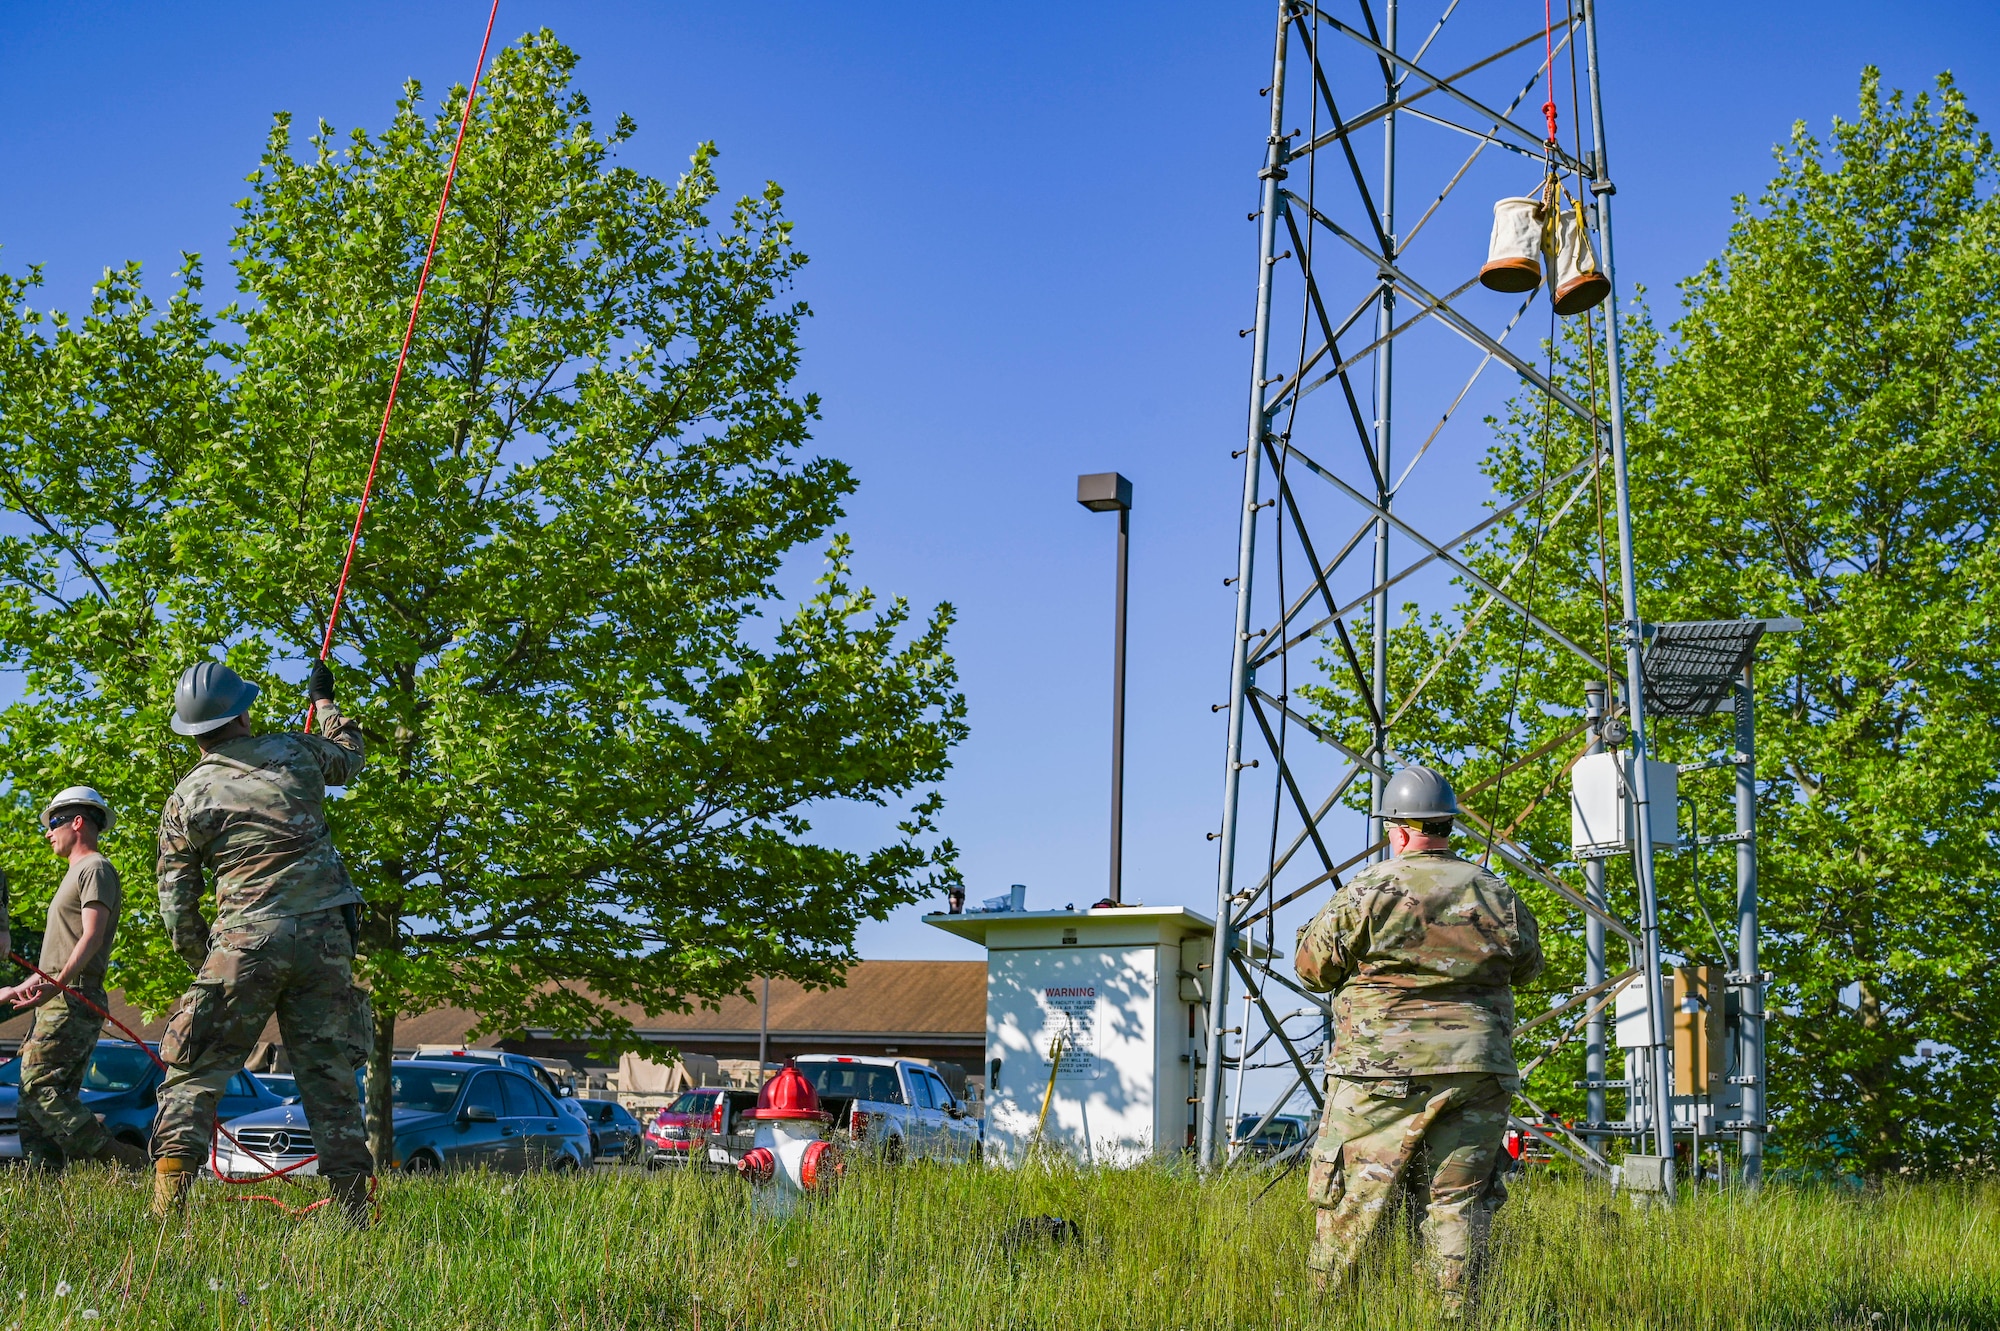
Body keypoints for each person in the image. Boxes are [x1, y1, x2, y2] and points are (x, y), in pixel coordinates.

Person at [1294, 764, 1544, 1316]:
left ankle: (1330, 1314)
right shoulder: (1495, 892)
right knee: (1458, 1203)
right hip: (1477, 1069)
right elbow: (1527, 968)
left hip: (1380, 1072)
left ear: (1398, 830)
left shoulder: (1368, 890)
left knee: (1354, 1200)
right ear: (1446, 825)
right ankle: (1453, 1315)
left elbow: (1312, 970)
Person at [150, 658, 375, 1225]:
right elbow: (350, 758)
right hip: (326, 937)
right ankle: (352, 1211)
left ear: (193, 729)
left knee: (196, 1067)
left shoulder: (187, 797)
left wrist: (206, 956)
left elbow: (177, 902)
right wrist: (325, 703)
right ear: (242, 712)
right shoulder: (295, 752)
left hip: (244, 941)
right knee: (329, 1071)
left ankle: (168, 1208)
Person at [0, 788, 149, 1171]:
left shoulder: (94, 868)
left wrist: (58, 983)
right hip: (58, 995)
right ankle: (44, 1189)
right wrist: (25, 985)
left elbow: (92, 935)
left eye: (53, 823)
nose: (48, 832)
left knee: (39, 1087)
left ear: (77, 822)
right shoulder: (77, 873)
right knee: (33, 1107)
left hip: (73, 997)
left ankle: (126, 1163)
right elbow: (64, 948)